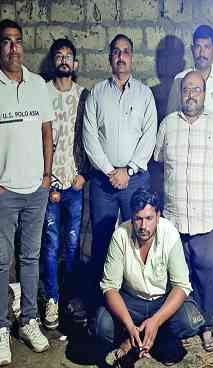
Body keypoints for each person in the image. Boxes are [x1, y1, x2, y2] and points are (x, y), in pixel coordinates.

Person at [0, 19, 53, 366]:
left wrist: (46, 177)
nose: (13, 48)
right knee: (1, 261)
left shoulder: (38, 85)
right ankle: (1, 327)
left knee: (30, 258)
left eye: (18, 41)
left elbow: (47, 132)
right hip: (3, 193)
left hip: (35, 190)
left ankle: (29, 320)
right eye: (6, 42)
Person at [82, 34, 157, 304]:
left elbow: (149, 136)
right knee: (102, 239)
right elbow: (89, 137)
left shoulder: (144, 94)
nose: (121, 57)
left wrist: (129, 170)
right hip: (103, 182)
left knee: (139, 237)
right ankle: (101, 303)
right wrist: (110, 171)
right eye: (116, 52)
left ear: (132, 57)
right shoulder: (97, 93)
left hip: (135, 180)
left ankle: (138, 299)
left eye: (126, 52)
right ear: (110, 58)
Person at [153, 71, 213, 351]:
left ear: (204, 93)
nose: (191, 94)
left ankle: (206, 326)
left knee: (207, 278)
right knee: (176, 279)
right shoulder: (168, 124)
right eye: (186, 89)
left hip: (207, 220)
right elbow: (158, 162)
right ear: (180, 93)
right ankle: (177, 325)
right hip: (174, 220)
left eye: (197, 89)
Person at [96, 188, 204, 366]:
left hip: (162, 300)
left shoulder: (169, 233)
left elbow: (181, 286)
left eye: (149, 218)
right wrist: (129, 325)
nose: (143, 226)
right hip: (132, 301)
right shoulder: (120, 235)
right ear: (132, 217)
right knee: (102, 325)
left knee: (189, 322)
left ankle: (155, 337)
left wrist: (156, 321)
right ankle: (133, 337)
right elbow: (110, 287)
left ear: (158, 216)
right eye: (138, 219)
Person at [40, 38, 90, 329]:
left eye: (68, 56)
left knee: (72, 244)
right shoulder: (42, 92)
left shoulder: (84, 95)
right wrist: (44, 179)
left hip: (75, 183)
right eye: (58, 56)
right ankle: (52, 298)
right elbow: (35, 138)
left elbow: (90, 137)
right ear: (53, 62)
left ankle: (70, 297)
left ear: (76, 63)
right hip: (49, 183)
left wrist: (84, 174)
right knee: (50, 243)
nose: (64, 60)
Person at [166, 25, 213, 117]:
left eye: (206, 47)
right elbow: (170, 117)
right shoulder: (179, 79)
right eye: (198, 47)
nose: (202, 53)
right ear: (192, 49)